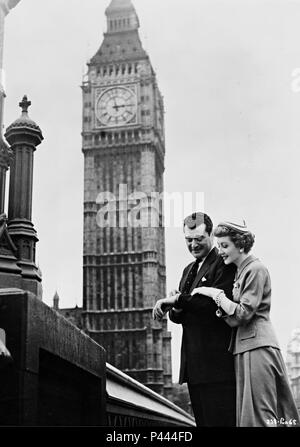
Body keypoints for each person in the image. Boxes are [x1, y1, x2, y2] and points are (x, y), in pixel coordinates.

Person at [190, 220, 300, 427]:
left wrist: (215, 294)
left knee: (261, 414)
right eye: (219, 245)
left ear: (240, 245)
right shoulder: (242, 270)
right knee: (255, 414)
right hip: (246, 346)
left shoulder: (255, 269)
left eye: (225, 246)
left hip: (257, 347)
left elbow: (243, 314)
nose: (220, 251)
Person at [153, 212, 237, 427]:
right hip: (194, 366)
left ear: (211, 235)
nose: (193, 245)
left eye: (199, 239)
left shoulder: (223, 262)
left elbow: (213, 305)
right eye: (188, 240)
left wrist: (178, 298)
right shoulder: (188, 270)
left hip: (218, 366)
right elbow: (177, 315)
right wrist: (176, 306)